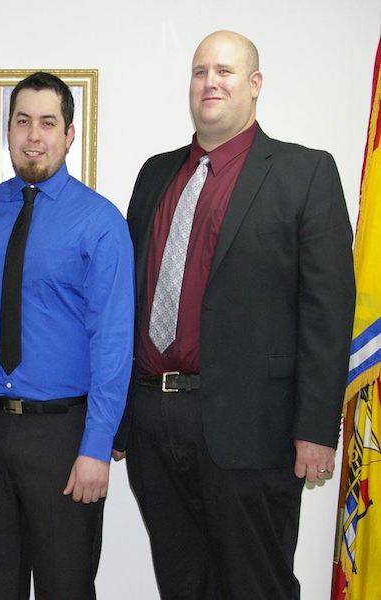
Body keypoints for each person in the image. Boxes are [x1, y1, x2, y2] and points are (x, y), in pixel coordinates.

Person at [114, 30, 355, 599]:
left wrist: (316, 429)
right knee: (182, 584)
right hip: (153, 420)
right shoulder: (155, 174)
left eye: (224, 71)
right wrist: (119, 414)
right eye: (200, 72)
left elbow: (327, 310)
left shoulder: (305, 173)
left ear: (254, 86)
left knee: (256, 586)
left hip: (254, 429)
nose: (209, 82)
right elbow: (126, 299)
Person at [0, 71, 135, 599]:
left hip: (64, 438)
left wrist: (97, 446)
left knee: (65, 589)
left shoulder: (100, 222)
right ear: (7, 131)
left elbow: (113, 343)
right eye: (22, 121)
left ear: (69, 134)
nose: (33, 135)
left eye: (48, 123)